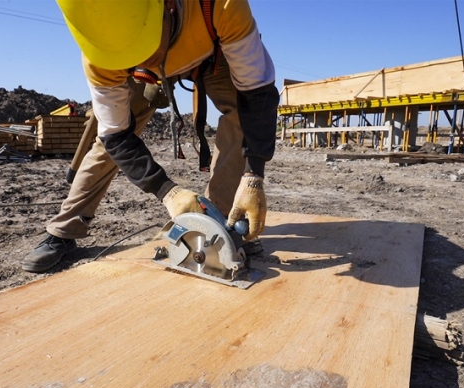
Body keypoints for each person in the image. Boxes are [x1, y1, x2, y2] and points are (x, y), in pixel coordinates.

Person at [22, 0, 278, 273]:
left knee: (242, 115)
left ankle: (221, 223)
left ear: (169, 6)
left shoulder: (222, 6)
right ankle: (64, 229)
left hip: (212, 55)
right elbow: (116, 136)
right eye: (129, 54)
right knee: (106, 143)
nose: (142, 58)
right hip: (144, 77)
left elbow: (257, 94)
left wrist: (254, 176)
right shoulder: (99, 57)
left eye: (144, 47)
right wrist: (168, 192)